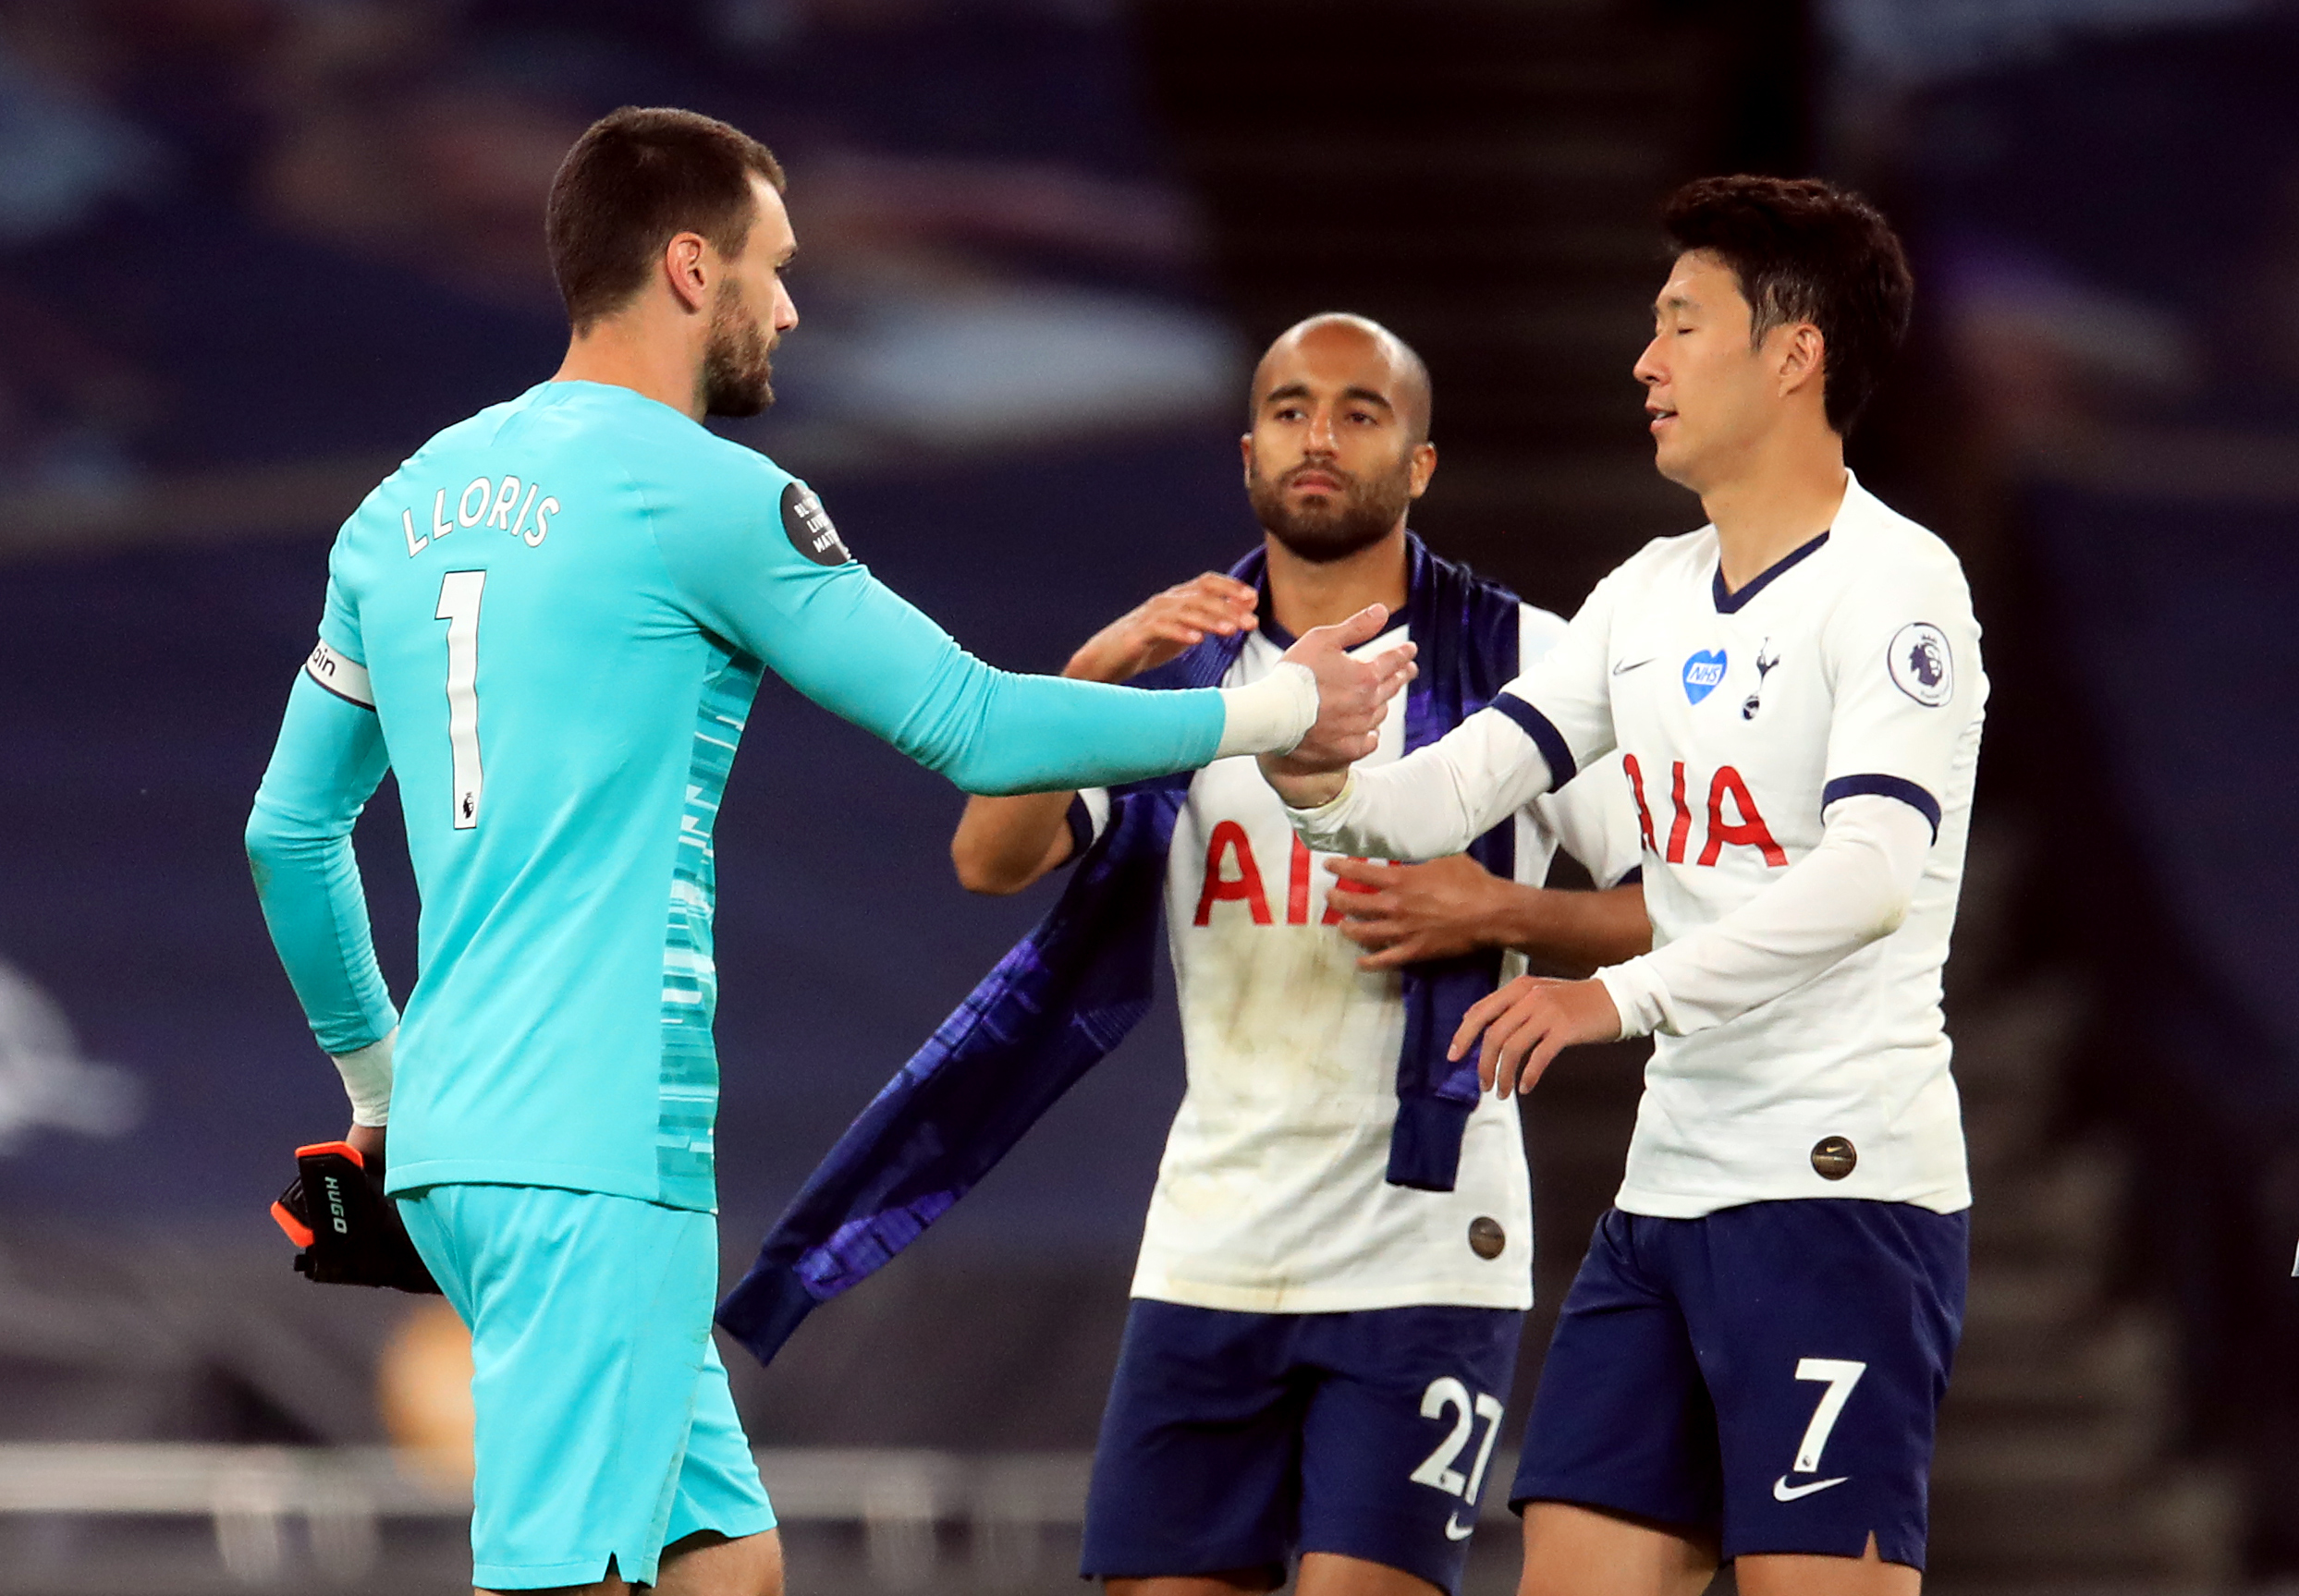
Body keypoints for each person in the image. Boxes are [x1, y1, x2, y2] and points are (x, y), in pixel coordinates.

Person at [241, 107, 1412, 1596]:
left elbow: (290, 834)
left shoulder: (396, 515)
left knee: (726, 1563)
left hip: (472, 1141)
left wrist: (379, 1088)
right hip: (592, 1137)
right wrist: (1289, 707)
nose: (791, 303)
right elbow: (973, 729)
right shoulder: (705, 496)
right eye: (772, 267)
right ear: (688, 268)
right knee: (568, 1580)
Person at [1259, 177, 1987, 1596]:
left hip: (1837, 1196)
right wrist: (1311, 762)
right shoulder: (1645, 594)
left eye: (1680, 326)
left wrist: (1614, 999)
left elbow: (1870, 877)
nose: (1645, 365)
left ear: (1795, 353)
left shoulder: (1901, 586)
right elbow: (1446, 796)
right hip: (1665, 1207)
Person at [952, 313, 1650, 1596]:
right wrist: (1100, 665)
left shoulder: (1529, 661)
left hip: (1426, 1251)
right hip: (1212, 1245)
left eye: (1358, 410)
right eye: (1288, 409)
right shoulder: (1184, 678)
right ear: (1248, 451)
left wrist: (1498, 913)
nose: (1317, 435)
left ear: (1421, 464)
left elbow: (1688, 908)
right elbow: (989, 857)